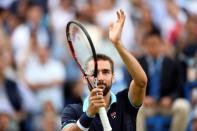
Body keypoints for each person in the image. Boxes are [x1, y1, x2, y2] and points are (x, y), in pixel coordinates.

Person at [61, 9, 147, 131]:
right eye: (94, 73)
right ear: (84, 78)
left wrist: (117, 44)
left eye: (106, 72)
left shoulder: (125, 101)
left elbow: (141, 81)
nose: (100, 77)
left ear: (113, 76)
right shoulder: (73, 111)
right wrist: (88, 114)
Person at [136, 30, 190, 131]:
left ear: (161, 44)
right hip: (148, 105)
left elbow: (179, 87)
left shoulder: (172, 63)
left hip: (167, 104)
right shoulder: (138, 63)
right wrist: (143, 98)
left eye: (155, 44)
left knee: (184, 107)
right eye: (149, 44)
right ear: (145, 46)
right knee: (135, 108)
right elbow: (133, 85)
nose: (152, 47)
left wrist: (170, 98)